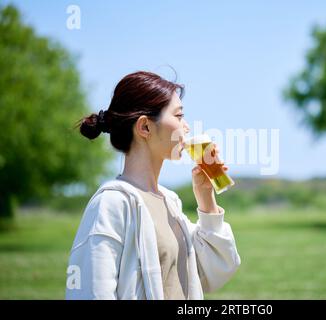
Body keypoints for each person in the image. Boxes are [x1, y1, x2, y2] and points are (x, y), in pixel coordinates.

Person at [65, 71, 241, 300]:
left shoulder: (170, 202)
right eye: (178, 116)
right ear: (145, 128)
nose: (186, 127)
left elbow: (214, 272)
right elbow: (90, 293)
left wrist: (206, 197)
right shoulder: (111, 204)